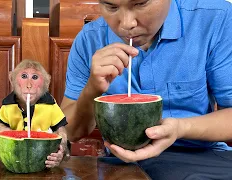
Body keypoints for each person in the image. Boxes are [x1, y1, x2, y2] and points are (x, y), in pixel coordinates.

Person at [61, 0, 232, 179]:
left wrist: (181, 128)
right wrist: (93, 88)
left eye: (141, 4)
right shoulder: (89, 39)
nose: (127, 24)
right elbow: (70, 132)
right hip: (122, 164)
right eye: (111, 7)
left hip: (201, 157)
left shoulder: (216, 19)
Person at [0, 59, 69, 168]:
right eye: (24, 76)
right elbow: (1, 126)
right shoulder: (8, 105)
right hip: (15, 158)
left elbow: (61, 130)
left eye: (35, 77)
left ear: (47, 81)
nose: (29, 85)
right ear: (11, 79)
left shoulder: (50, 106)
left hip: (42, 160)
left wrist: (61, 151)